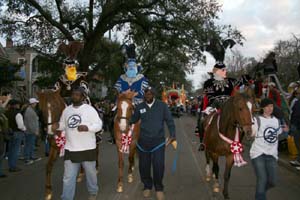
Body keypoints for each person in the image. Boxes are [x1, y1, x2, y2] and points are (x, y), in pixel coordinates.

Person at [130, 86, 176, 200]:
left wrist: (172, 135)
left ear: (154, 95)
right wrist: (123, 119)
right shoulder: (140, 107)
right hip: (143, 143)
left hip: (158, 142)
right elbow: (133, 120)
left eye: (150, 94)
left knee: (158, 166)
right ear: (144, 95)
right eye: (146, 93)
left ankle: (159, 188)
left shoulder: (162, 106)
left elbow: (169, 121)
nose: (148, 95)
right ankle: (147, 186)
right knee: (143, 167)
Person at [57, 87, 102, 200]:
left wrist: (87, 128)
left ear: (83, 97)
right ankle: (67, 197)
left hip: (87, 148)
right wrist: (56, 126)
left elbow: (99, 125)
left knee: (90, 174)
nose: (74, 96)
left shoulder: (90, 110)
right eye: (73, 94)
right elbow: (63, 124)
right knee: (68, 177)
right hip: (71, 148)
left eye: (77, 95)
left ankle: (93, 192)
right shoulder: (66, 110)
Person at [250, 98, 289, 200]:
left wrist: (285, 131)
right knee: (262, 179)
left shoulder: (276, 121)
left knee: (272, 182)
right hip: (258, 154)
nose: (269, 108)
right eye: (267, 106)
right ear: (262, 108)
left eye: (271, 106)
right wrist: (250, 130)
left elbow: (279, 136)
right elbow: (251, 134)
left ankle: (260, 193)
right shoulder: (256, 119)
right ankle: (260, 195)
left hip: (272, 155)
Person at [5, 99, 26, 172]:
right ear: (16, 105)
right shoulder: (18, 113)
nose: (19, 105)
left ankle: (11, 165)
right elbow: (20, 126)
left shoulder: (6, 112)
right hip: (17, 132)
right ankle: (13, 166)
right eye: (18, 104)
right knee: (16, 150)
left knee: (10, 150)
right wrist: (24, 129)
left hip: (9, 132)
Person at [23, 98, 41, 165]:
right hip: (30, 131)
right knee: (28, 145)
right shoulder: (29, 111)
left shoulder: (30, 110)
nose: (36, 104)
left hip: (30, 131)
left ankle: (31, 156)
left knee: (31, 144)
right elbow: (30, 123)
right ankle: (27, 158)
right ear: (32, 104)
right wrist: (35, 131)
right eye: (35, 103)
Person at [289, 88, 300, 169]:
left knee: (298, 143)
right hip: (296, 125)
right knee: (297, 143)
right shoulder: (297, 101)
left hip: (297, 125)